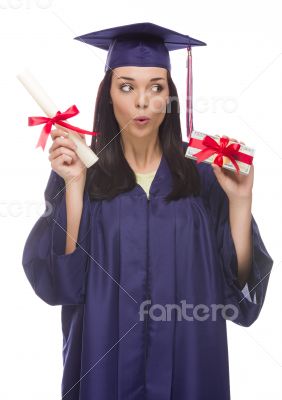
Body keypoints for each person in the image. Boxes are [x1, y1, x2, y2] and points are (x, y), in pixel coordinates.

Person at [22, 22, 273, 400]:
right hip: (102, 370)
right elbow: (61, 285)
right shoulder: (80, 172)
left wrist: (240, 203)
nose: (142, 100)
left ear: (169, 97)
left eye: (156, 87)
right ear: (107, 95)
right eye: (127, 86)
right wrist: (74, 186)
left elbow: (236, 295)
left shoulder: (204, 176)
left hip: (190, 370)